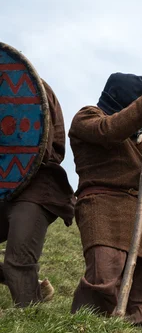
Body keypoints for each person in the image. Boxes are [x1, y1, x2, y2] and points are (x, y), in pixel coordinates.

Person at [69, 73, 142, 331]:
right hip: (105, 208)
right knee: (104, 276)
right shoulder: (88, 117)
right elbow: (109, 130)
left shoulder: (135, 137)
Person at [0, 80, 75, 306]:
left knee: (18, 260)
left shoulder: (30, 86)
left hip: (35, 186)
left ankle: (28, 323)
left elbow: (48, 144)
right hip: (4, 187)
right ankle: (34, 291)